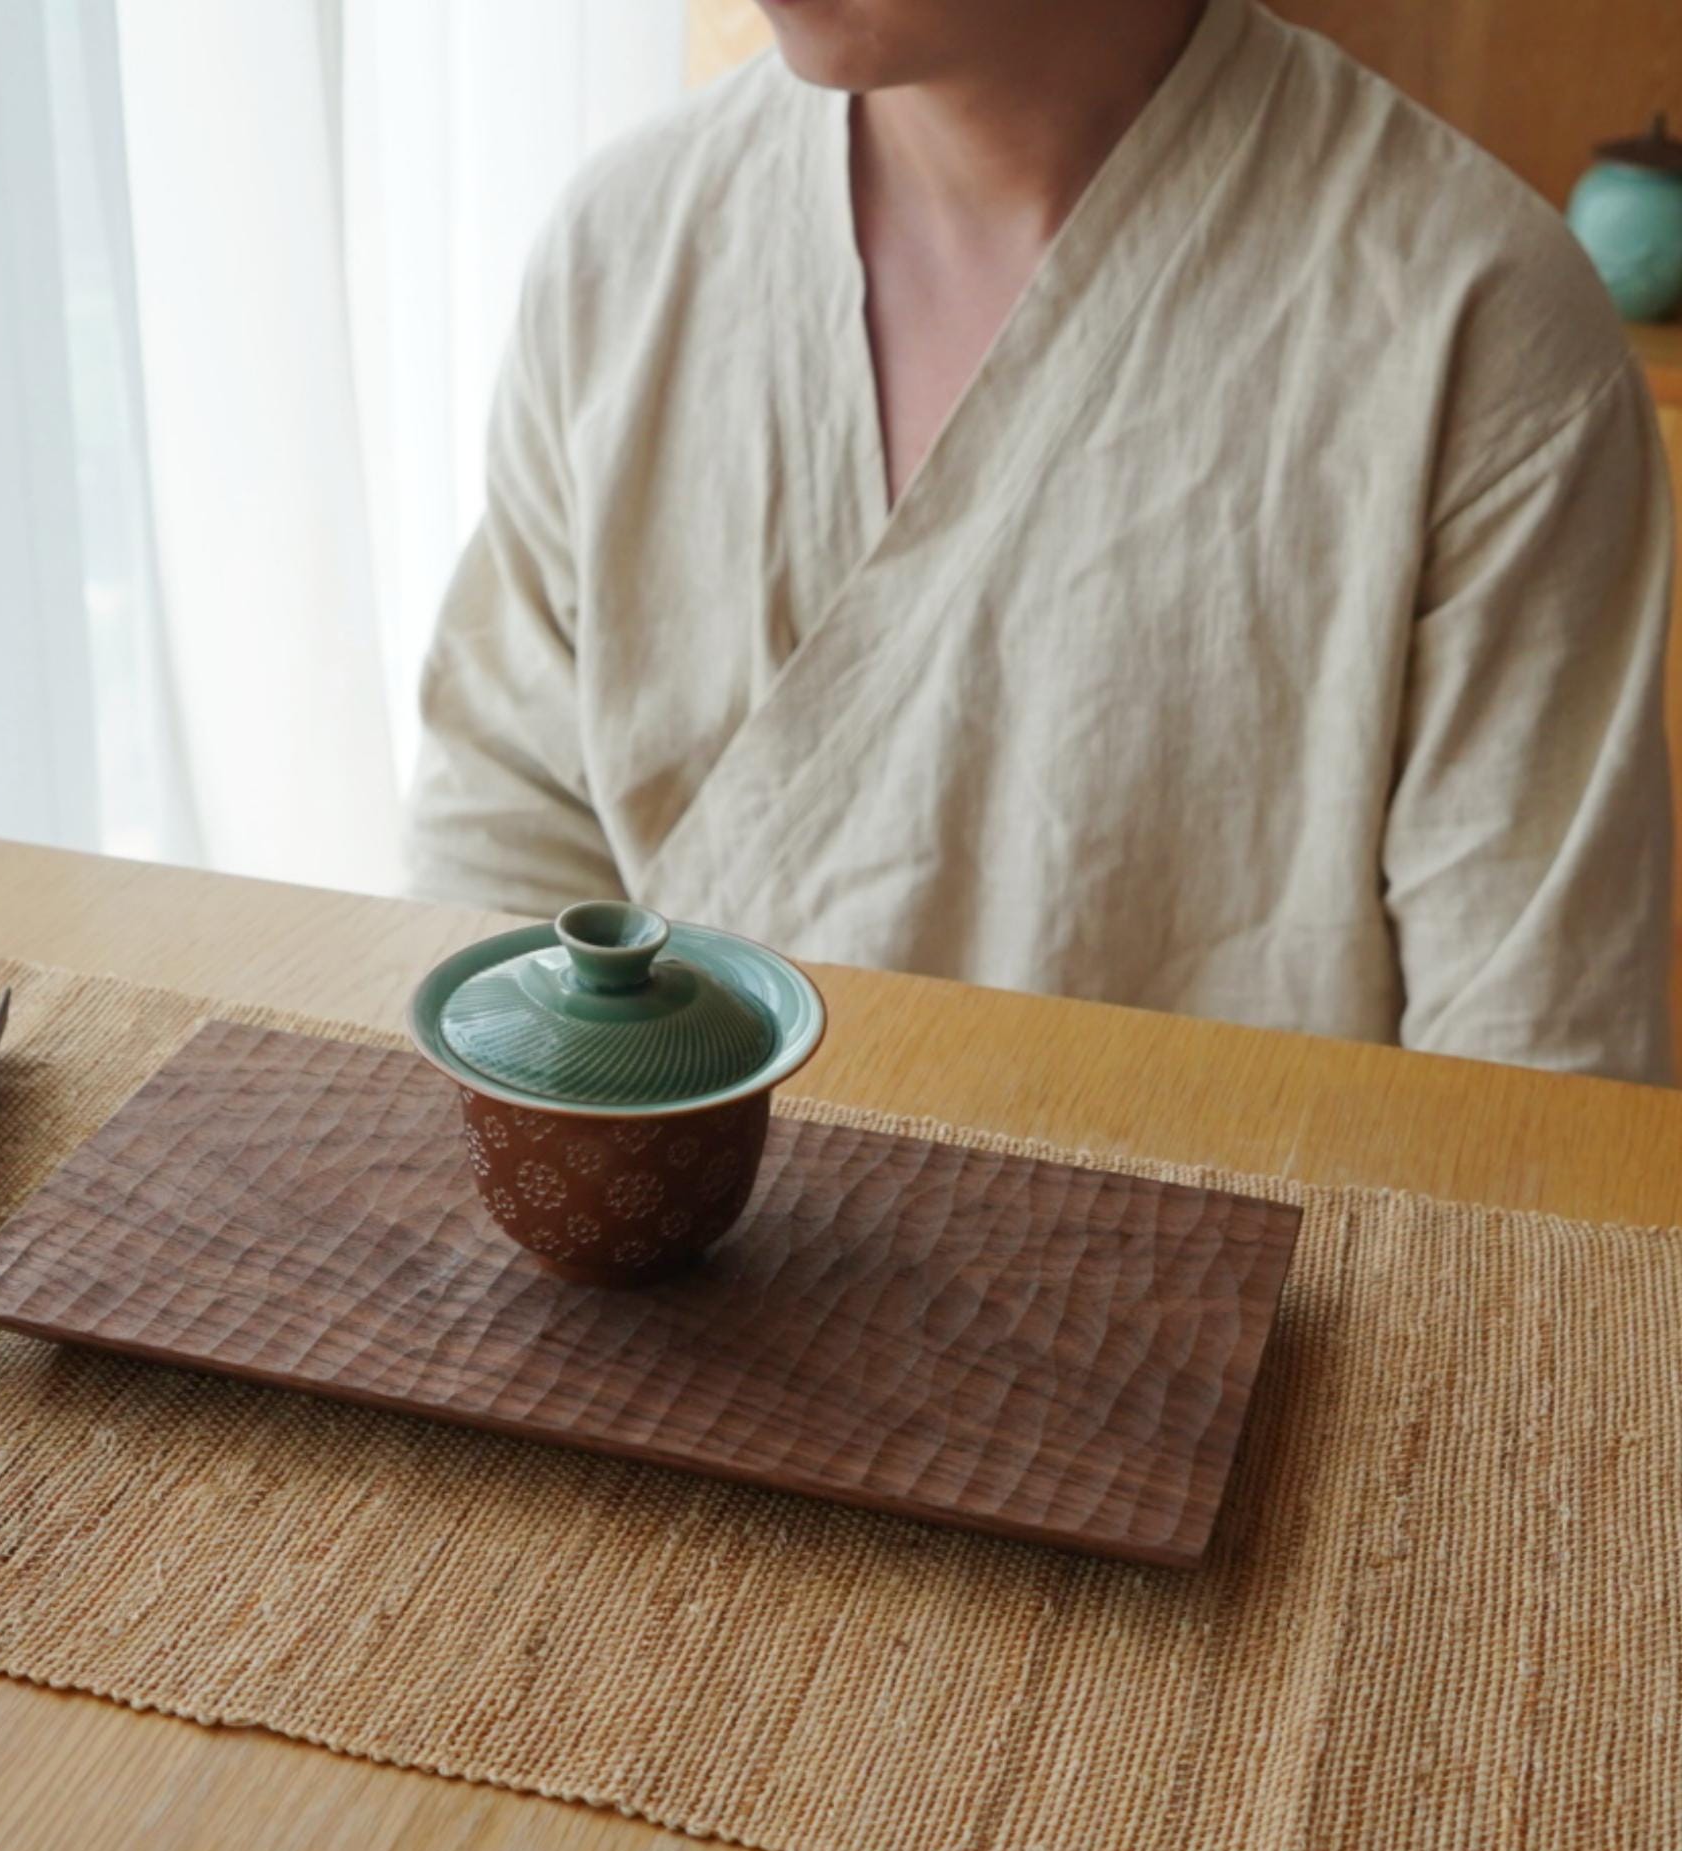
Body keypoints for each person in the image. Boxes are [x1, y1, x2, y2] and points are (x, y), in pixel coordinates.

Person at [406, 0, 1676, 1083]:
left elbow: (1527, 1091)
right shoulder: (626, 245)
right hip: (651, 1260)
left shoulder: (1474, 325)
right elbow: (497, 858)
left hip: (1240, 1284)